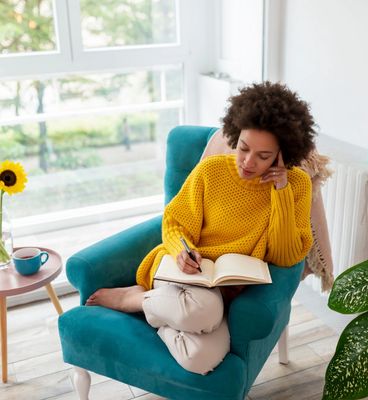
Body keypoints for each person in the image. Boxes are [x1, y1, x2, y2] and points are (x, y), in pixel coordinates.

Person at [86, 81, 316, 375]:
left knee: (199, 359)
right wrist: (182, 250)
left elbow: (285, 256)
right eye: (243, 148)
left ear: (282, 155)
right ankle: (131, 298)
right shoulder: (212, 171)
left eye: (263, 156)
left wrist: (280, 190)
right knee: (202, 311)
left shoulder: (296, 185)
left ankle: (154, 310)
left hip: (224, 290)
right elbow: (174, 221)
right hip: (184, 271)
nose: (247, 162)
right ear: (236, 134)